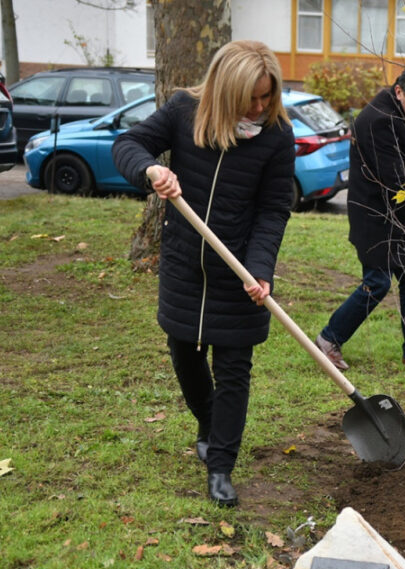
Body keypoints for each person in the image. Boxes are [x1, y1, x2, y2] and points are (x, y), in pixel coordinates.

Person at [112, 40, 294, 507]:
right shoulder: (183, 112)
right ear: (224, 91)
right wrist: (151, 169)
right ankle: (208, 425)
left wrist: (258, 269)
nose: (259, 106)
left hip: (239, 275)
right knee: (185, 356)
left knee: (234, 368)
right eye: (250, 97)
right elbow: (127, 143)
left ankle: (221, 466)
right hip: (185, 268)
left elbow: (273, 210)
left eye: (266, 96)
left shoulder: (275, 134)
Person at [315, 65, 405, 372]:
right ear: (399, 91)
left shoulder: (397, 109)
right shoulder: (377, 120)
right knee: (377, 282)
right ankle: (328, 338)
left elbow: (402, 138)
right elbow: (395, 186)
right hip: (375, 214)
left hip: (396, 212)